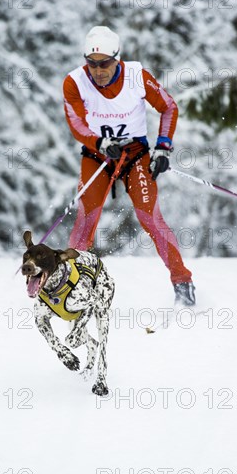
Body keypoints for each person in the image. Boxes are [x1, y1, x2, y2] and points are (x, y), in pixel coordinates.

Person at [62, 25, 196, 306]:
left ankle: (182, 282)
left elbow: (168, 107)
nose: (98, 71)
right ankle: (70, 286)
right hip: (98, 156)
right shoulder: (74, 82)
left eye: (105, 64)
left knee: (149, 217)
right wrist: (98, 142)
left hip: (134, 155)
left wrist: (163, 147)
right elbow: (75, 122)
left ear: (117, 58)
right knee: (86, 218)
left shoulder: (137, 76)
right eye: (92, 64)